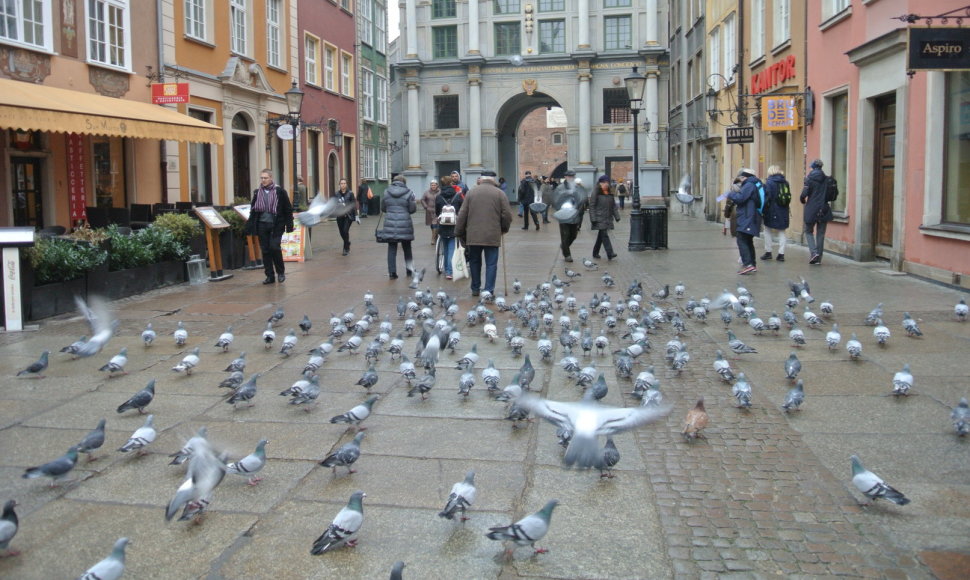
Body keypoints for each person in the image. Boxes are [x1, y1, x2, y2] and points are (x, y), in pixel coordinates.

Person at [455, 170, 512, 296]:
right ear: (493, 180)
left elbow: (462, 214)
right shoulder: (499, 193)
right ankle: (488, 290)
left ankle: (475, 288)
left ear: (481, 179)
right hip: (492, 234)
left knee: (475, 261)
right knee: (491, 264)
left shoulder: (471, 193)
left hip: (473, 234)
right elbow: (507, 215)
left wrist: (459, 231)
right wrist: (503, 228)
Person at [245, 169, 294, 284]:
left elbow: (287, 209)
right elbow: (253, 211)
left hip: (276, 225)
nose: (263, 180)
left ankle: (280, 272)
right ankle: (269, 276)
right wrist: (250, 226)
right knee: (265, 250)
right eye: (261, 178)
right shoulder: (257, 192)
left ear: (271, 178)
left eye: (265, 178)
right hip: (262, 225)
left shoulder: (280, 192)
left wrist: (289, 225)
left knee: (274, 247)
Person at [380, 175, 417, 279]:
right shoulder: (409, 192)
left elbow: (383, 207)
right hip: (405, 224)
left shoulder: (386, 192)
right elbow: (412, 209)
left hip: (390, 223)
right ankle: (409, 271)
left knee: (391, 248)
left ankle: (392, 273)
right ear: (404, 182)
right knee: (407, 248)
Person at [728, 168, 763, 275]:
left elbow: (740, 198)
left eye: (741, 178)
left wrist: (731, 194)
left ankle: (748, 264)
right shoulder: (754, 184)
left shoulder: (749, 185)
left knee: (741, 239)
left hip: (748, 217)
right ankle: (752, 264)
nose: (741, 180)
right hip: (750, 216)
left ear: (745, 177)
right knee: (748, 240)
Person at [800, 158, 833, 265]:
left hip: (812, 209)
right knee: (821, 234)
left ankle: (814, 253)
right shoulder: (827, 179)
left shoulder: (809, 179)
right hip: (824, 209)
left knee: (808, 231)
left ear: (813, 167)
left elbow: (804, 194)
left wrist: (802, 199)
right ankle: (818, 259)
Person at [551, 170, 588, 263]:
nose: (571, 178)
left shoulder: (577, 187)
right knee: (565, 235)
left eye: (573, 176)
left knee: (573, 235)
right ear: (566, 177)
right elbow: (555, 200)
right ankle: (567, 255)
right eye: (569, 176)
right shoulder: (560, 188)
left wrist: (581, 206)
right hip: (564, 214)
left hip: (575, 214)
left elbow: (582, 198)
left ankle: (564, 246)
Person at [435, 176, 464, 280]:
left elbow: (437, 212)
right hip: (454, 225)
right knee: (452, 248)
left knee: (446, 247)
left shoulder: (438, 197)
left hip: (443, 226)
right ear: (451, 183)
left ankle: (447, 269)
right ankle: (449, 271)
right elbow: (462, 209)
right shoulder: (457, 195)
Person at [761, 165, 790, 262]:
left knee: (767, 230)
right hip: (783, 210)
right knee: (782, 232)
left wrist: (763, 209)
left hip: (771, 210)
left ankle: (768, 252)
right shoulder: (785, 182)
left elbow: (767, 197)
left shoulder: (769, 182)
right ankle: (781, 254)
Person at [589, 175, 621, 260]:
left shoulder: (609, 193)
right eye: (604, 183)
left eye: (607, 183)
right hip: (599, 217)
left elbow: (613, 206)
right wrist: (593, 218)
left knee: (601, 236)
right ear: (600, 183)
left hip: (607, 217)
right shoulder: (596, 192)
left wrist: (617, 216)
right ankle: (610, 253)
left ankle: (595, 252)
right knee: (604, 234)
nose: (606, 184)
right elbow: (591, 206)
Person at [334, 178, 357, 256]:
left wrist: (356, 215)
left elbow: (353, 205)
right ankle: (347, 242)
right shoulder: (336, 194)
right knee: (341, 232)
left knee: (345, 231)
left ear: (346, 184)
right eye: (341, 183)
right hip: (340, 215)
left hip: (348, 215)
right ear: (339, 185)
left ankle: (345, 248)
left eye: (344, 183)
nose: (343, 185)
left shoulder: (350, 193)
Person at [421, 180, 440, 245]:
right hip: (429, 211)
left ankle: (433, 238)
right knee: (432, 225)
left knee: (435, 224)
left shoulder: (440, 192)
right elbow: (422, 199)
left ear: (437, 185)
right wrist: (426, 206)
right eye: (432, 185)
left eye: (434, 185)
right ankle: (435, 235)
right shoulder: (427, 192)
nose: (433, 186)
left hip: (437, 210)